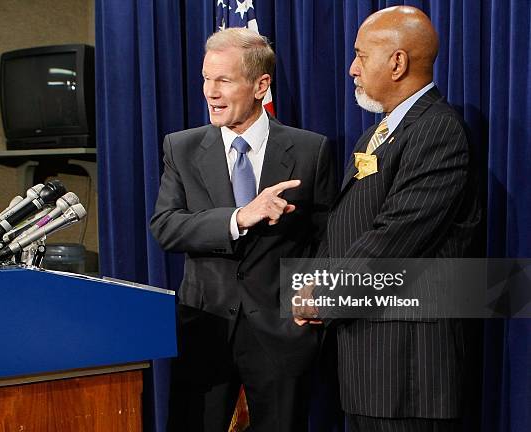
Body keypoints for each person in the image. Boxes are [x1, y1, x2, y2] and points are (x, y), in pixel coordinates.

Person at [295, 6, 480, 432]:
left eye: (361, 55)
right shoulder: (376, 134)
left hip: (405, 370)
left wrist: (324, 295)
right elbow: (348, 223)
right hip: (368, 363)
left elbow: (396, 235)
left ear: (397, 62)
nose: (351, 68)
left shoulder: (437, 130)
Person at [150, 28, 337, 432]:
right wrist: (239, 218)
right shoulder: (180, 147)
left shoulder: (310, 149)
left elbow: (327, 235)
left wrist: (312, 292)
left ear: (260, 85)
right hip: (205, 329)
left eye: (224, 80)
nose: (210, 92)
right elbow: (165, 227)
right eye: (206, 78)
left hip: (280, 332)